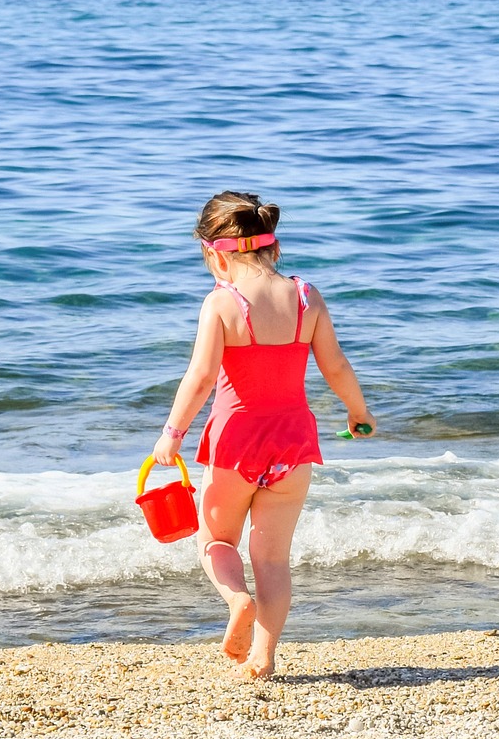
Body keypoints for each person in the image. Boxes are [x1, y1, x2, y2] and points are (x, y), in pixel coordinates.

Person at [151, 191, 375, 679]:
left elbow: (201, 377)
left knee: (217, 541)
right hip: (292, 444)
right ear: (274, 248)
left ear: (214, 252)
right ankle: (264, 656)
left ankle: (237, 601)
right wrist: (358, 412)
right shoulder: (306, 296)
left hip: (236, 443)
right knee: (272, 557)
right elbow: (334, 365)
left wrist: (172, 434)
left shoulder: (221, 303)